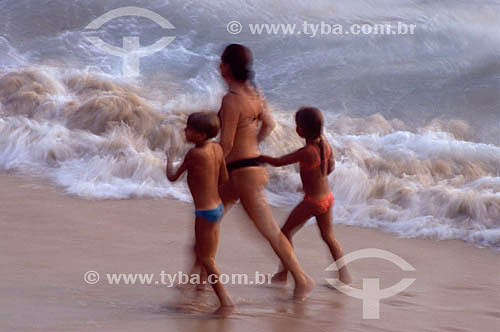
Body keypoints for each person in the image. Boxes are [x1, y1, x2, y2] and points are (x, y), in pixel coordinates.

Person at [217, 43, 314, 300]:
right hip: (249, 168)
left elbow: (225, 144)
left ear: (226, 66)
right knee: (208, 222)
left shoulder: (231, 99)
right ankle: (199, 278)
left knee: (269, 231)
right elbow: (269, 124)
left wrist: (209, 164)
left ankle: (302, 279)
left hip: (240, 173)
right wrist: (252, 145)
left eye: (221, 61)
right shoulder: (255, 93)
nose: (219, 65)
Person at [258, 107, 352, 285]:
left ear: (301, 130)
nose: (296, 128)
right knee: (328, 237)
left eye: (297, 126)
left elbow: (279, 162)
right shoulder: (324, 144)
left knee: (284, 233)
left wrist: (259, 157)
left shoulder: (307, 151)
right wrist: (313, 180)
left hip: (313, 202)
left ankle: (284, 273)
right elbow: (330, 168)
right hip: (327, 198)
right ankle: (344, 275)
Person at [166, 112, 233, 309]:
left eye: (189, 129)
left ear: (200, 136)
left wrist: (169, 160)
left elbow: (172, 176)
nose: (185, 131)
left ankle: (225, 301)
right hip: (217, 207)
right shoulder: (217, 148)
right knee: (203, 250)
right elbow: (224, 179)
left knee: (206, 257)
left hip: (204, 212)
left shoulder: (194, 154)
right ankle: (200, 285)